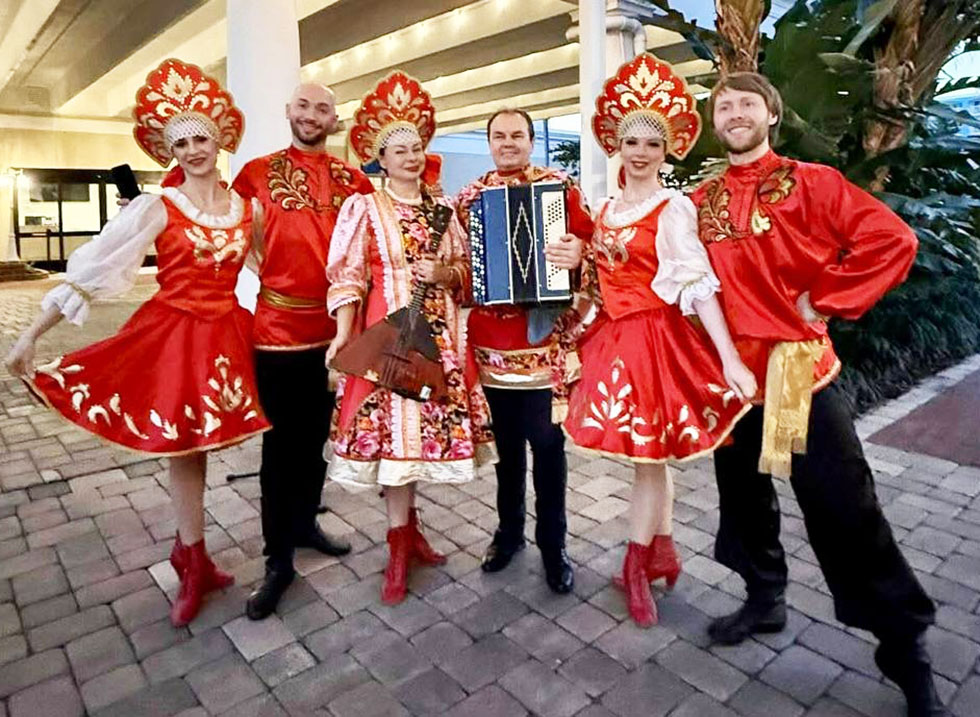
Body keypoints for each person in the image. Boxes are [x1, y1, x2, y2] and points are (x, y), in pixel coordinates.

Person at [690, 72, 944, 716]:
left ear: (771, 115)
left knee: (845, 509)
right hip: (732, 383)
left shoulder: (814, 183)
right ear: (716, 122)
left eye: (748, 102)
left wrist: (822, 297)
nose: (735, 112)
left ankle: (906, 654)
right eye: (724, 105)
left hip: (801, 370)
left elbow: (893, 239)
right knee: (744, 502)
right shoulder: (699, 200)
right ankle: (764, 598)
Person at [4, 59, 269, 627]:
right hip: (172, 336)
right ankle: (192, 561)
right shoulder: (159, 206)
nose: (195, 150)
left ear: (219, 139)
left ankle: (190, 553)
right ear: (170, 153)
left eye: (202, 137)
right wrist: (29, 334)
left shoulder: (249, 210)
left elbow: (274, 275)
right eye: (182, 143)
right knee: (181, 448)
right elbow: (93, 271)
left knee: (198, 448)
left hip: (226, 338)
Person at [564, 53, 756, 626]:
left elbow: (698, 286)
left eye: (652, 142)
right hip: (611, 340)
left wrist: (728, 359)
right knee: (651, 461)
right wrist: (577, 261)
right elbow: (595, 279)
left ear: (666, 148)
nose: (641, 152)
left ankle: (635, 564)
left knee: (649, 460)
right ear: (616, 146)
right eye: (632, 141)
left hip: (655, 344)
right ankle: (662, 551)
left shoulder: (673, 208)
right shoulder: (602, 208)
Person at [324, 71, 497, 605]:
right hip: (390, 337)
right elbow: (349, 275)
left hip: (441, 339)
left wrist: (444, 275)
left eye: (417, 147)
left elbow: (469, 272)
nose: (410, 156)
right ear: (380, 157)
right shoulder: (364, 208)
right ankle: (397, 546)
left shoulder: (444, 211)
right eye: (398, 149)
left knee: (419, 441)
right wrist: (342, 336)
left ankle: (412, 533)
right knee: (395, 442)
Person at [231, 83, 373, 620]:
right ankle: (277, 560)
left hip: (338, 330)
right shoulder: (256, 174)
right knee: (278, 448)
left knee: (318, 437)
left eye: (323, 109)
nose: (312, 115)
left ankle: (305, 523)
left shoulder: (354, 180)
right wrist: (267, 274)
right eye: (304, 106)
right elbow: (236, 237)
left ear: (335, 120)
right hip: (277, 330)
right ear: (288, 111)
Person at [455, 109, 591, 593]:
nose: (508, 143)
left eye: (517, 135)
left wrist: (578, 258)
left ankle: (554, 547)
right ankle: (508, 534)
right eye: (498, 136)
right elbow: (460, 273)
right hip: (491, 348)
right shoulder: (469, 199)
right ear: (489, 142)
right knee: (507, 453)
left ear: (532, 141)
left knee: (550, 451)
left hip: (544, 347)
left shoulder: (561, 190)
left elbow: (593, 251)